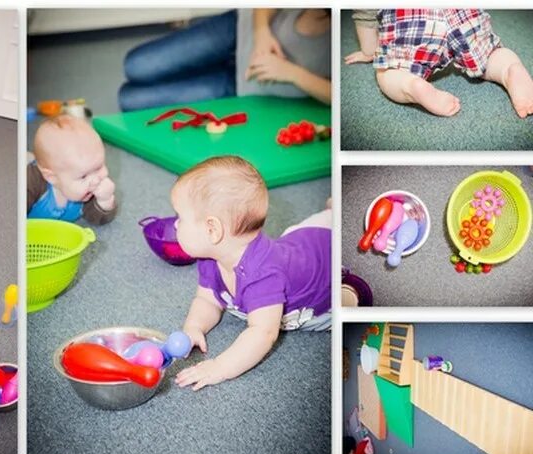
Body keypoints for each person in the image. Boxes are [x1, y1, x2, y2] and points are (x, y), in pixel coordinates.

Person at [170, 156, 331, 391]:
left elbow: (263, 333)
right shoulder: (210, 257)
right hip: (297, 243)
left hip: (327, 270)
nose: (175, 225)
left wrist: (219, 367)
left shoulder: (263, 276)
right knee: (297, 233)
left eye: (180, 218)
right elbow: (207, 300)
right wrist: (194, 327)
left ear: (212, 230)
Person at [119, 9, 331, 111]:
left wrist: (292, 73)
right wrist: (261, 32)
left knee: (130, 101)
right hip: (235, 30)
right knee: (135, 64)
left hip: (244, 85)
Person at [345, 9, 533, 118]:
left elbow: (365, 14)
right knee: (490, 55)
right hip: (462, 13)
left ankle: (410, 84)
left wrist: (368, 51)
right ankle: (509, 69)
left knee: (387, 72)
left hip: (411, 18)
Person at [27, 115, 117, 225]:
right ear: (52, 178)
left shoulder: (88, 189)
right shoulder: (31, 183)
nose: (95, 180)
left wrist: (105, 201)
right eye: (83, 176)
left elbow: (97, 219)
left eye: (99, 167)